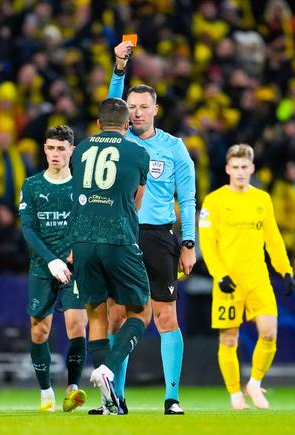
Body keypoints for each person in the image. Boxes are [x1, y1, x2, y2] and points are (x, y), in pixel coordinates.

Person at [102, 40, 196, 415]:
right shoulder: (119, 140)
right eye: (132, 107)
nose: (137, 112)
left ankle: (171, 397)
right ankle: (116, 398)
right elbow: (110, 105)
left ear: (156, 109)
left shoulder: (174, 148)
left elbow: (187, 198)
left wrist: (188, 243)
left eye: (143, 107)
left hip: (158, 237)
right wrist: (119, 67)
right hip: (122, 235)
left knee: (165, 317)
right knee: (117, 316)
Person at [70, 98, 152, 415]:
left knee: (96, 315)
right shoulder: (138, 152)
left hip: (82, 240)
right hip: (118, 238)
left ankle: (108, 402)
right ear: (127, 124)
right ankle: (109, 369)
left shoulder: (80, 150)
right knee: (141, 312)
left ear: (98, 123)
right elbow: (137, 201)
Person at [198, 143, 295, 410]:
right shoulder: (214, 201)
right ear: (227, 169)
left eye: (244, 167)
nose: (240, 172)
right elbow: (208, 243)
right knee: (229, 339)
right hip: (229, 281)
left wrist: (285, 269)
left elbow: (273, 239)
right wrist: (219, 274)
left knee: (269, 334)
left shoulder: (262, 199)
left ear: (252, 168)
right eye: (236, 167)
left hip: (258, 278)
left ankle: (254, 383)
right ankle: (235, 395)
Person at [19, 125, 88, 412]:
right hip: (42, 266)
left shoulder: (83, 186)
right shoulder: (32, 185)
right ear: (44, 150)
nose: (55, 154)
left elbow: (88, 223)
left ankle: (72, 388)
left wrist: (77, 250)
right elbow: (28, 230)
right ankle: (46, 392)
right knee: (39, 331)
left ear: (72, 150)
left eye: (61, 148)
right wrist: (51, 259)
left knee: (77, 325)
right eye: (50, 148)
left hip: (75, 268)